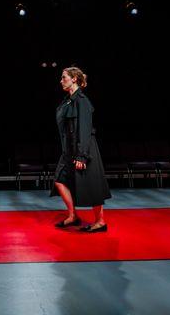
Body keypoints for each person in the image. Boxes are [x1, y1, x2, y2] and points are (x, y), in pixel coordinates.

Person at [51, 66, 111, 232]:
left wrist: (82, 156)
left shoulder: (82, 100)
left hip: (84, 149)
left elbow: (84, 129)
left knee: (92, 184)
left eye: (64, 77)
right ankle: (72, 216)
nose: (61, 80)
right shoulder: (68, 100)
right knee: (59, 180)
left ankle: (100, 221)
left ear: (74, 79)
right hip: (69, 149)